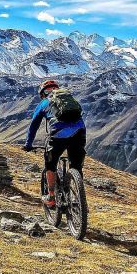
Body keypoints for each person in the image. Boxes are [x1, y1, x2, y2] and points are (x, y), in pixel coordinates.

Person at [23, 79, 86, 209]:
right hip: (80, 133)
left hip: (58, 136)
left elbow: (33, 126)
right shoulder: (68, 99)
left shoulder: (44, 103)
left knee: (50, 163)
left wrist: (28, 144)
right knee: (76, 166)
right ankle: (80, 200)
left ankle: (51, 197)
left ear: (42, 94)